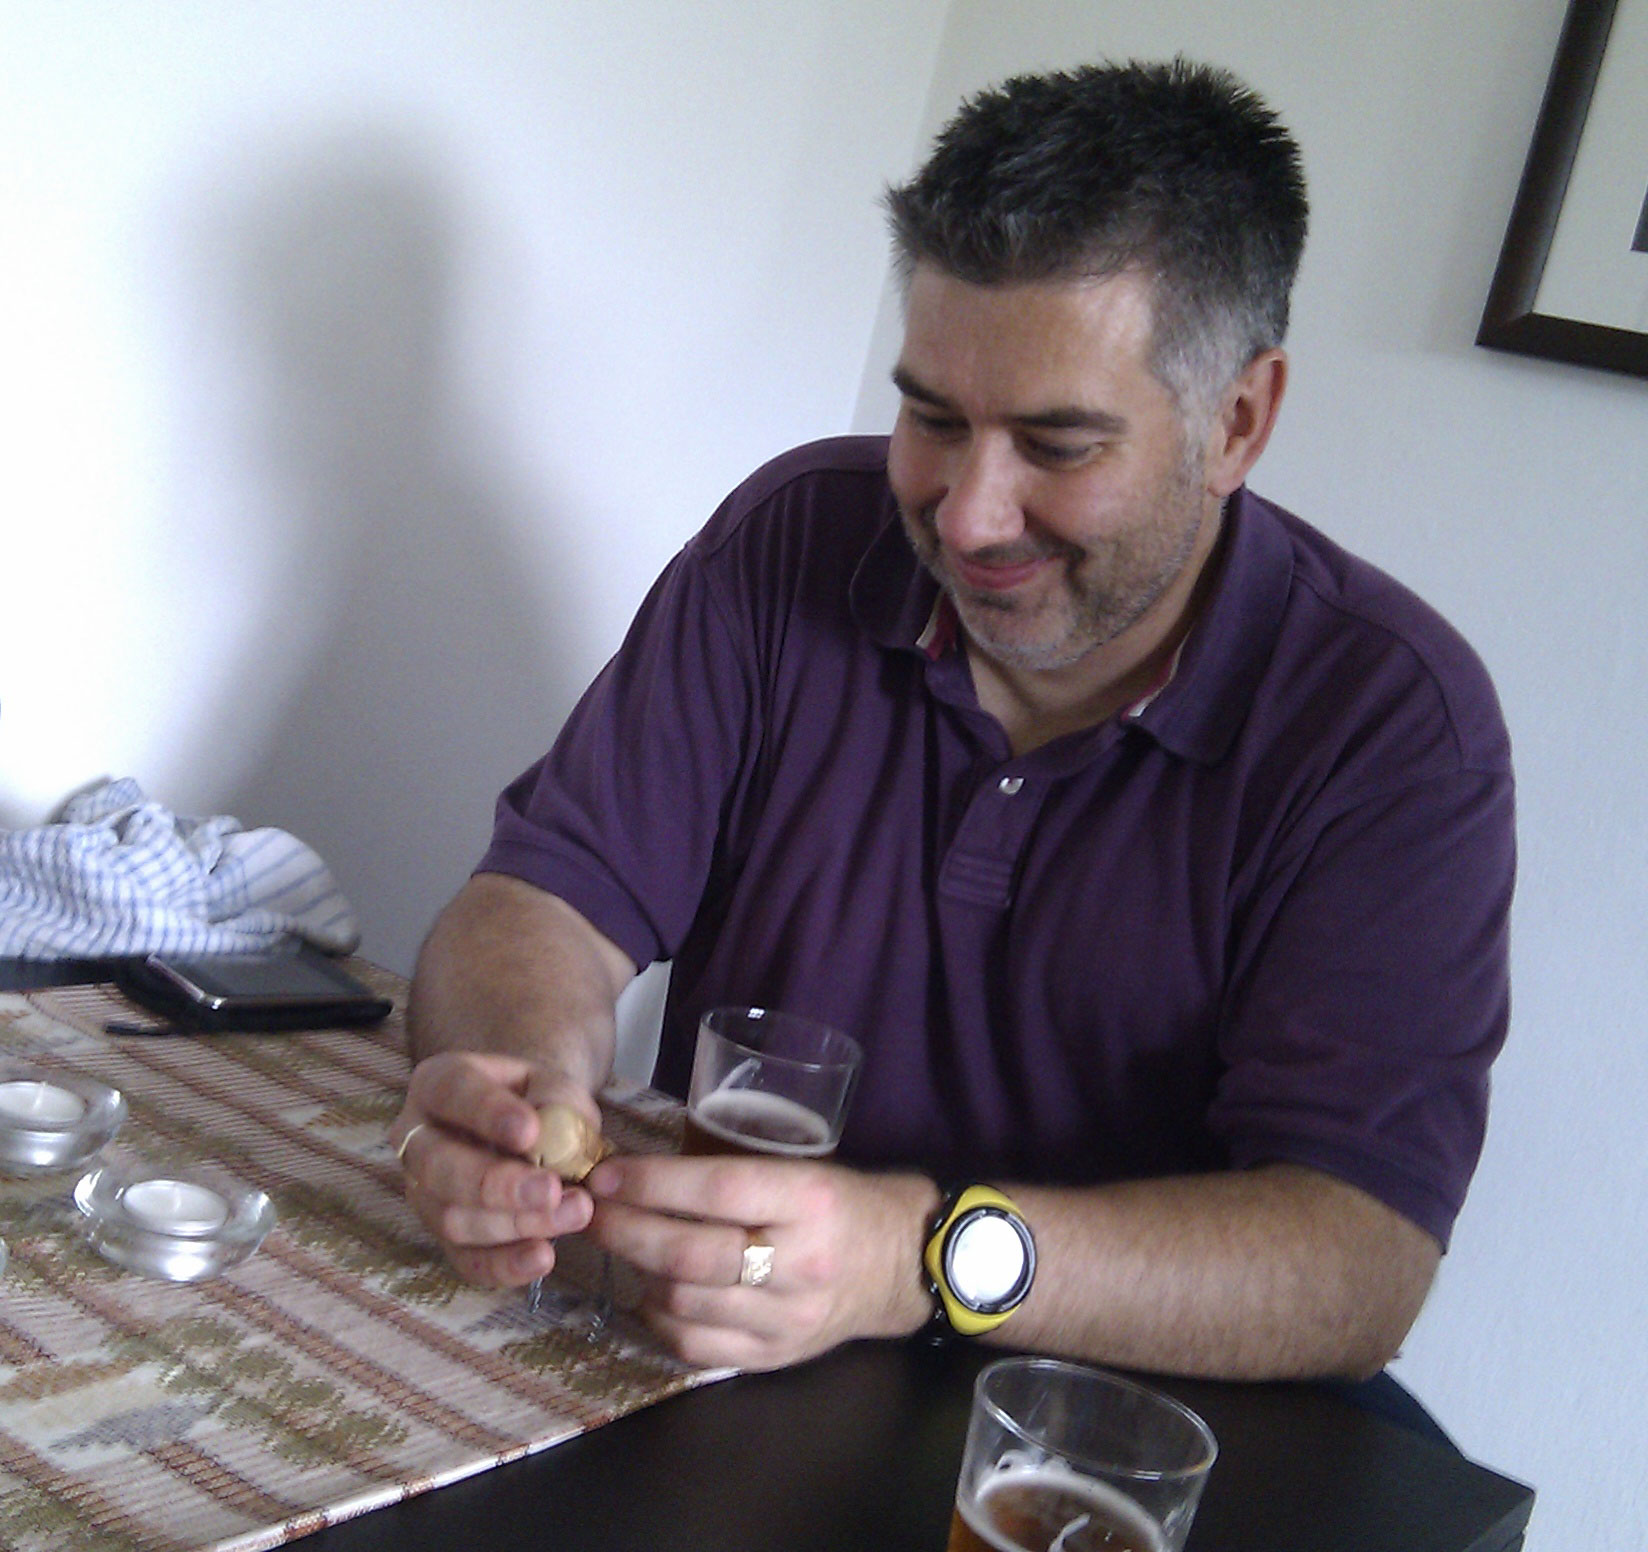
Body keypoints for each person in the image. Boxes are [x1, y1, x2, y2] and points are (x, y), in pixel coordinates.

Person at [387, 58, 1513, 1382]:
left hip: (1094, 1426)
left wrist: (911, 1258)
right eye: (931, 417)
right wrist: (520, 1099)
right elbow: (542, 900)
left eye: (1057, 444)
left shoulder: (1388, 723)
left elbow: (1356, 1257)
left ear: (1239, 422)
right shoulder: (789, 540)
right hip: (718, 1364)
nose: (969, 516)